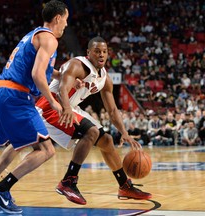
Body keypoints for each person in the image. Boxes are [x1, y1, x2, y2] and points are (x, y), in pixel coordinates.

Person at [0, 0, 69, 214]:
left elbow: (40, 68)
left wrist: (60, 74)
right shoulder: (50, 39)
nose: (66, 24)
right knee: (47, 150)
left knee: (20, 144)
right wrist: (54, 102)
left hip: (0, 92)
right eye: (65, 19)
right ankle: (2, 188)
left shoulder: (34, 34)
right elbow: (37, 75)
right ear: (58, 18)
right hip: (16, 96)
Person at [35, 36, 151, 205]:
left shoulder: (105, 78)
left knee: (107, 140)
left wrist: (124, 133)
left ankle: (124, 186)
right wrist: (67, 110)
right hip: (51, 107)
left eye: (104, 52)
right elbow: (61, 90)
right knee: (91, 132)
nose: (101, 55)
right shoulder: (77, 65)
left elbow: (112, 110)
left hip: (70, 107)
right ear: (89, 53)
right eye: (97, 51)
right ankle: (68, 182)